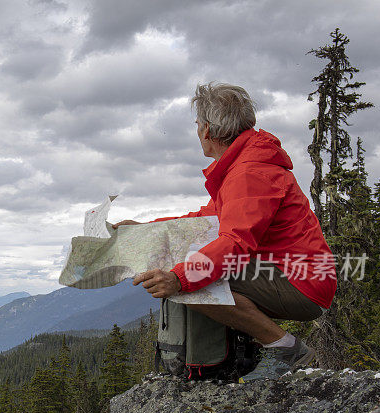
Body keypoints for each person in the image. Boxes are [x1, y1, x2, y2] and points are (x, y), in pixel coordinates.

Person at [113, 82, 337, 382]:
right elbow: (204, 221)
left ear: (207, 130)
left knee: (194, 281)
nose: (197, 132)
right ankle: (253, 349)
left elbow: (235, 244)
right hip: (297, 274)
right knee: (194, 269)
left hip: (302, 281)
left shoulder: (249, 172)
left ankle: (285, 348)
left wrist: (179, 278)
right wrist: (146, 228)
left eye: (197, 124)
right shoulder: (243, 164)